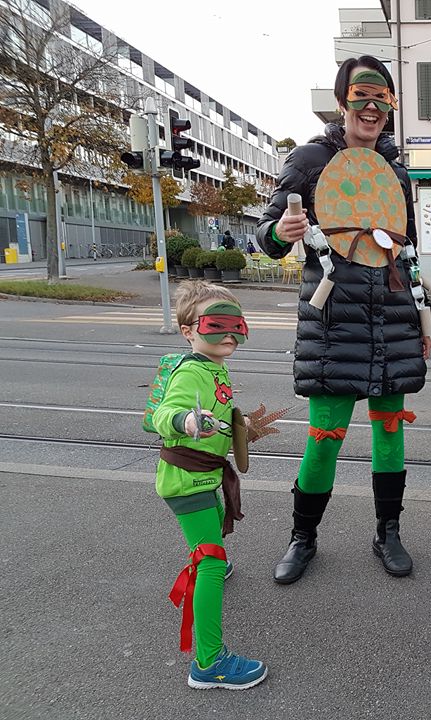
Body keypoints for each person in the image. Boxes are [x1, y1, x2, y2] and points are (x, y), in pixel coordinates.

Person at [257, 56, 431, 582]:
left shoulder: (396, 171)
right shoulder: (310, 160)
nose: (373, 109)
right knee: (325, 433)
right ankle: (302, 537)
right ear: (342, 102)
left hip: (394, 313)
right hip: (335, 317)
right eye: (362, 97)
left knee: (389, 432)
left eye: (383, 99)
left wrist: (422, 315)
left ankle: (388, 533)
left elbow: (408, 247)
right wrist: (280, 232)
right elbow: (265, 234)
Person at [153, 280, 266, 690]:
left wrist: (240, 427)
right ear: (189, 331)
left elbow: (217, 411)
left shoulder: (214, 366)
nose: (230, 334)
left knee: (215, 525)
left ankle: (210, 564)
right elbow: (167, 412)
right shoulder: (190, 372)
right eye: (217, 324)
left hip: (204, 473)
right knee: (211, 560)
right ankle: (209, 663)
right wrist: (185, 420)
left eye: (237, 324)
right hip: (187, 478)